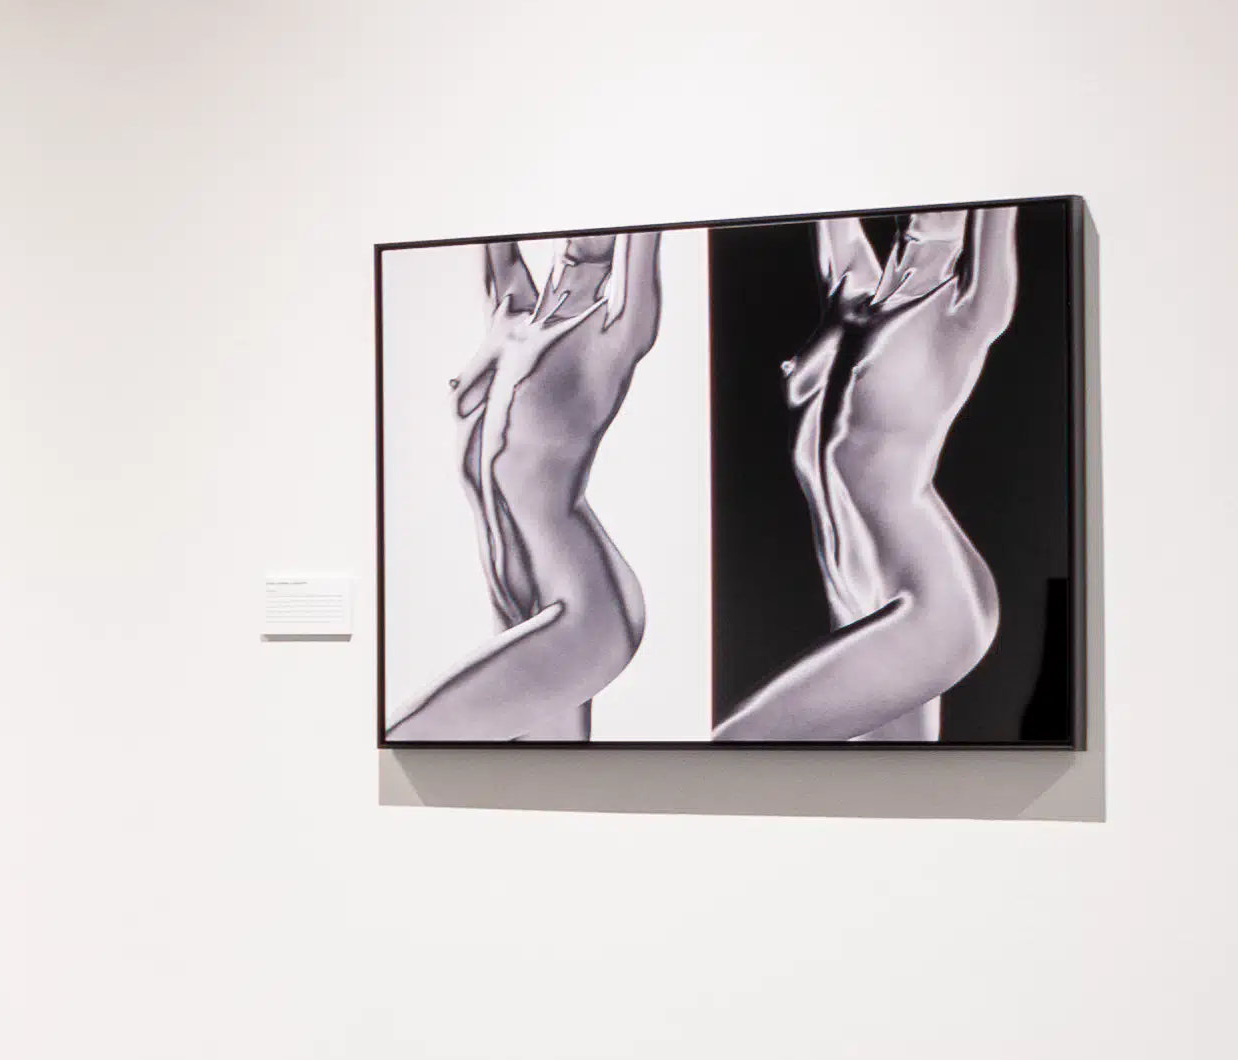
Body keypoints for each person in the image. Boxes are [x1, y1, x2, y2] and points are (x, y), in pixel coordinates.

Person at [715, 206, 1023, 741]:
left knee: (738, 743)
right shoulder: (852, 289)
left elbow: (1003, 210)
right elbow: (824, 199)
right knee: (896, 797)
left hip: (928, 605)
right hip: (852, 590)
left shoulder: (966, 315)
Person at [389, 234, 663, 743]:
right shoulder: (511, 311)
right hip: (514, 606)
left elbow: (648, 231)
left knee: (409, 736)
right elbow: (488, 223)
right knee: (550, 794)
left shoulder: (618, 328)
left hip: (584, 613)